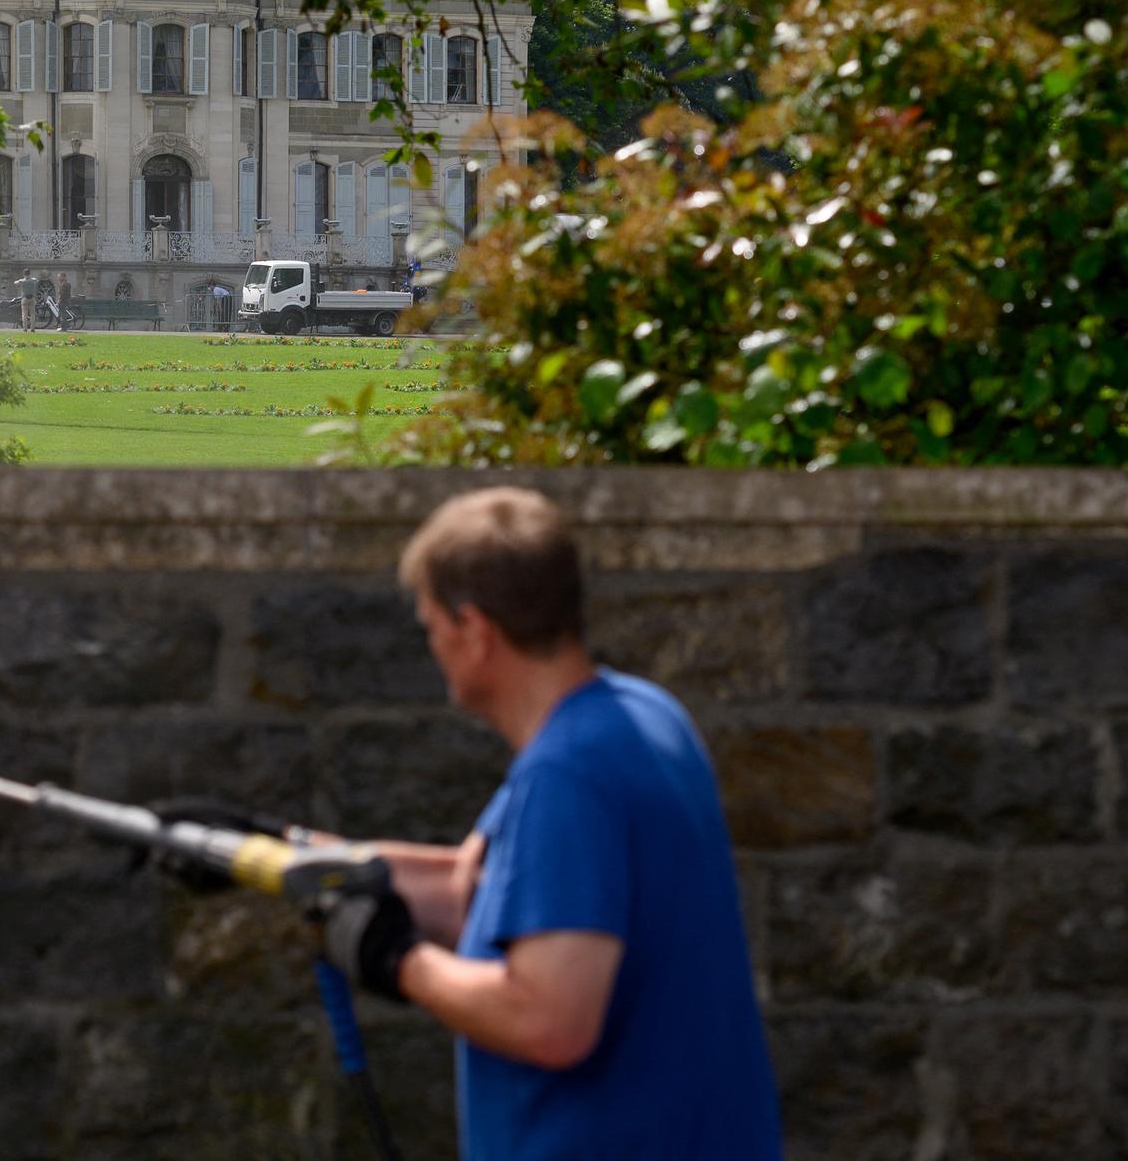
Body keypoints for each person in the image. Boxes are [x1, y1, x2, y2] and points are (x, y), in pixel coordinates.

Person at [311, 487, 782, 1160]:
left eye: (431, 626)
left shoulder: (567, 775)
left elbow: (551, 1019)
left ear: (474, 630)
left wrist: (399, 960)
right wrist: (273, 850)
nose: (434, 646)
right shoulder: (639, 716)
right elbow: (470, 888)